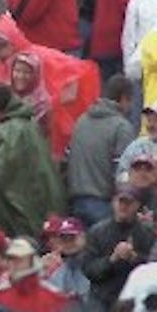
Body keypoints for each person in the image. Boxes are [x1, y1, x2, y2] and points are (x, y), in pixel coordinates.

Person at [0, 84, 66, 239]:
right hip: (37, 196)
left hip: (21, 202)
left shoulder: (12, 129)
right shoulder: (28, 123)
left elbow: (0, 163)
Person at [82, 183, 157, 312]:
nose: (124, 206)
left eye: (129, 202)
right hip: (103, 300)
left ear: (137, 205)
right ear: (113, 202)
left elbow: (156, 268)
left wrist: (134, 258)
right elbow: (89, 270)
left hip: (136, 301)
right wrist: (112, 259)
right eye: (121, 201)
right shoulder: (97, 232)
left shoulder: (147, 233)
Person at [66, 76, 137, 224]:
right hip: (103, 205)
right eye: (130, 101)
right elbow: (122, 172)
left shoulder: (81, 121)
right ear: (124, 98)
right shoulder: (121, 127)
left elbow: (67, 159)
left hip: (75, 203)